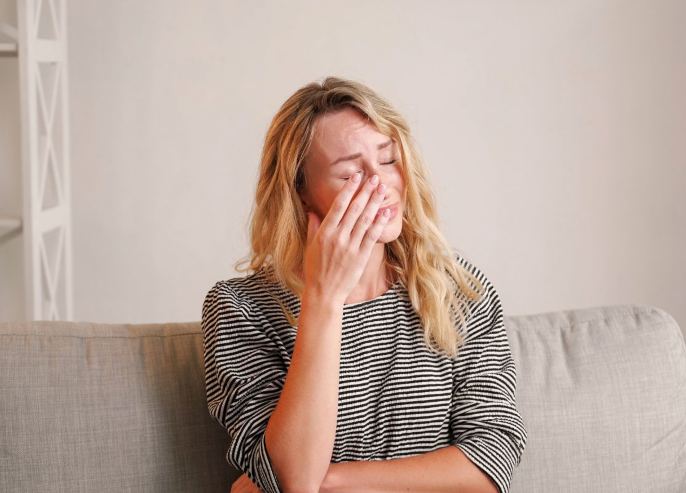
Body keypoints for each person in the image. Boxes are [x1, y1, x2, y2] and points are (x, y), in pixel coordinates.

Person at [201, 76, 527, 493]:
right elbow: (293, 478)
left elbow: (491, 460)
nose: (381, 183)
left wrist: (334, 481)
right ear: (301, 191)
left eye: (388, 160)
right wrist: (324, 300)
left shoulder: (459, 291)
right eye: (351, 172)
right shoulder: (239, 309)